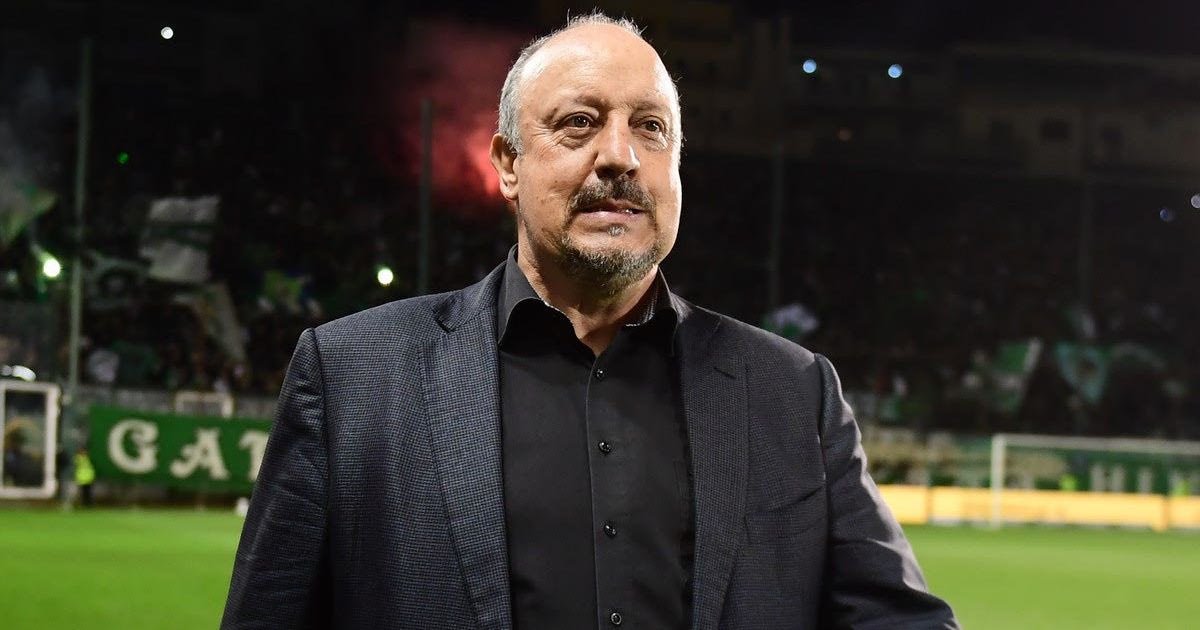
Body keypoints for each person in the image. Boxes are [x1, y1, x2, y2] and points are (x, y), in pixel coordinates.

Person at [223, 12, 957, 630]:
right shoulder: (351, 378)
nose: (620, 156)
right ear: (508, 164)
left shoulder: (794, 392)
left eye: (651, 128)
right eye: (580, 123)